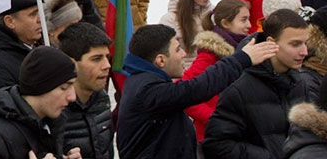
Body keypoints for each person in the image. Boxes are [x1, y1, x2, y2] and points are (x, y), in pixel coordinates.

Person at [116, 23, 278, 159]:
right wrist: (242, 59)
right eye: (178, 49)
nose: (184, 54)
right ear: (160, 60)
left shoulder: (142, 81)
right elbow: (197, 88)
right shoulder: (148, 91)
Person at [202, 9, 311, 159]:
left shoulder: (300, 81)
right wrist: (269, 156)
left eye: (306, 43)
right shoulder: (239, 87)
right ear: (272, 43)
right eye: (295, 44)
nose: (304, 51)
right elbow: (217, 145)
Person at [180, 0, 252, 142]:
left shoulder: (244, 49)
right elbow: (185, 94)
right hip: (214, 137)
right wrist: (214, 118)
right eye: (243, 20)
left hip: (237, 134)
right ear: (225, 23)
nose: (249, 25)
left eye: (248, 19)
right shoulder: (209, 55)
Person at [57, 23, 114, 159]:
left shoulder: (102, 99)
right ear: (71, 63)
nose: (107, 65)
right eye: (96, 59)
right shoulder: (54, 109)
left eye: (107, 57)